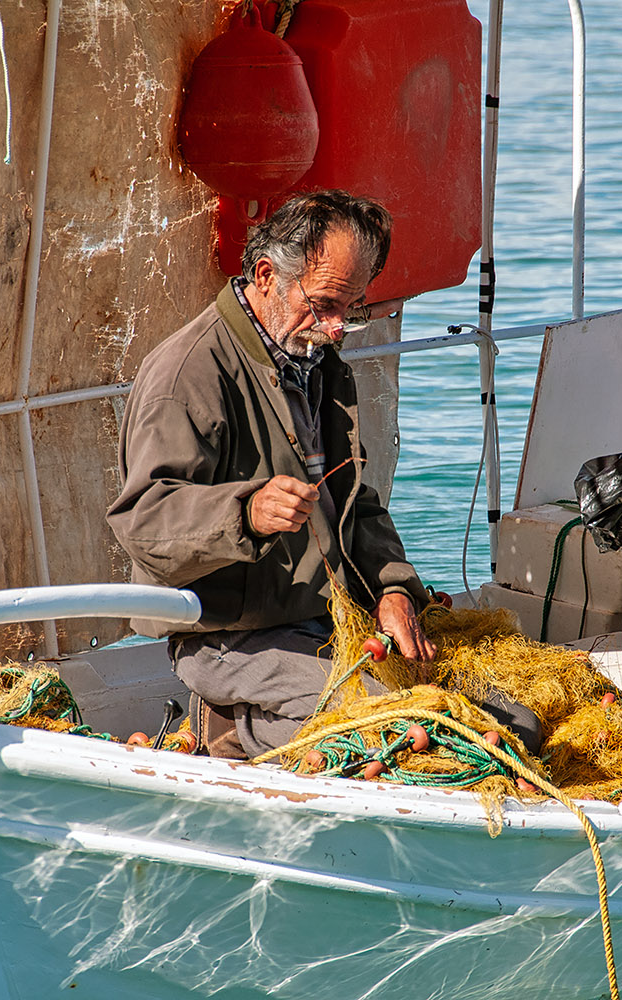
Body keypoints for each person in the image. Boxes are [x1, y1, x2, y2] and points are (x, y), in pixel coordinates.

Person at [107, 190, 438, 760]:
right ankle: (239, 728)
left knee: (502, 714)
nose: (337, 328)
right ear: (266, 276)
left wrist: (393, 588)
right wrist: (246, 513)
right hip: (228, 638)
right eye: (327, 304)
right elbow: (144, 522)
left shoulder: (315, 363)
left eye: (351, 309)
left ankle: (253, 728)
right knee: (402, 732)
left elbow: (356, 504)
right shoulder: (188, 373)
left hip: (323, 623)